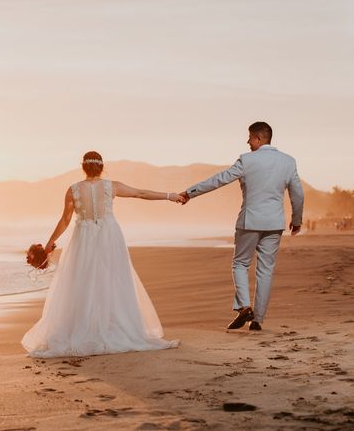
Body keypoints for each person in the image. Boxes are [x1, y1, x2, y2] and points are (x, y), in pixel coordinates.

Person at [21, 151, 182, 358]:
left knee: (83, 282)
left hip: (83, 238)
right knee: (112, 280)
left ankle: (87, 327)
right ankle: (110, 326)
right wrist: (171, 196)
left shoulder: (73, 189)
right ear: (102, 166)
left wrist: (49, 244)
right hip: (109, 236)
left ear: (83, 167)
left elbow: (65, 220)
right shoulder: (111, 186)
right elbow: (140, 193)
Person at [180, 121, 304, 331]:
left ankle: (244, 306)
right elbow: (297, 193)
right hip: (274, 223)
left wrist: (190, 193)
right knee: (266, 270)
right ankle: (258, 320)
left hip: (250, 221)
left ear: (258, 138)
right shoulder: (288, 162)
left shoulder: (247, 160)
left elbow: (219, 180)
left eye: (249, 137)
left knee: (240, 264)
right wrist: (297, 219)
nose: (247, 142)